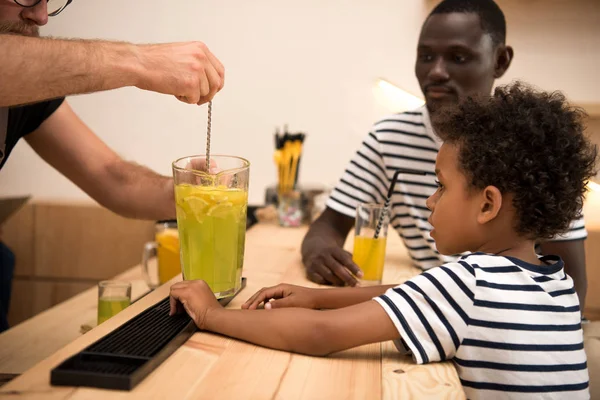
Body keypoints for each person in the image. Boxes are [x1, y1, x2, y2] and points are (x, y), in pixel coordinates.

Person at [170, 83, 596, 399]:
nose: (430, 200)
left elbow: (320, 335)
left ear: (487, 205)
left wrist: (211, 315)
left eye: (441, 187)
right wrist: (317, 296)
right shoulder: (552, 283)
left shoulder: (472, 282)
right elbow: (416, 294)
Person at [300, 0, 590, 312]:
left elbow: (571, 287)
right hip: (431, 312)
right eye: (425, 56)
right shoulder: (389, 139)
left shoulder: (532, 148)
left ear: (500, 60)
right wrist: (321, 252)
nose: (436, 72)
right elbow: (328, 225)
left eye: (458, 57)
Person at [0, 0, 224, 330]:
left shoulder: (27, 95)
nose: (42, 16)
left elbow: (112, 177)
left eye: (48, 1)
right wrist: (141, 60)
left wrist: (182, 191)